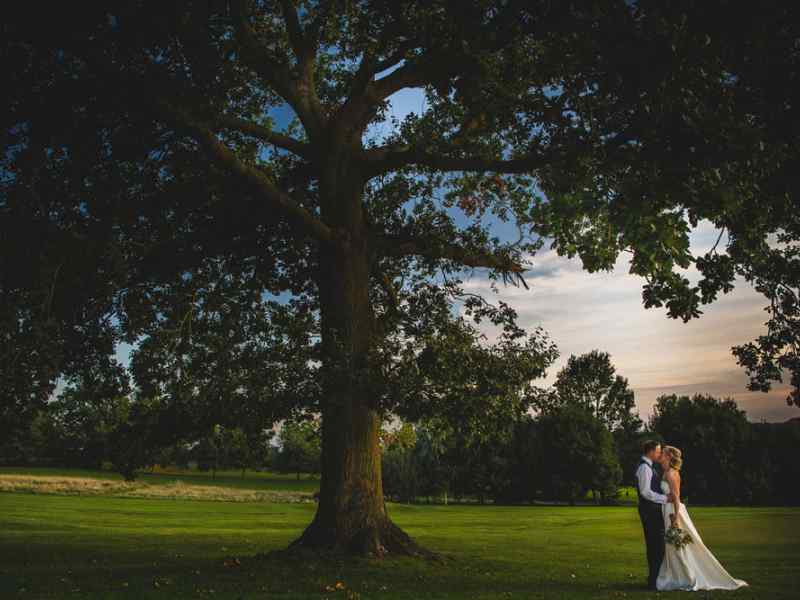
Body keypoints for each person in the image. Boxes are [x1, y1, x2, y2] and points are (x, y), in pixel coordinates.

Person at [655, 445, 749, 591]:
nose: (660, 454)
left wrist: (675, 518)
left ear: (668, 456)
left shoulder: (671, 474)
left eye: (663, 452)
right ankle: (676, 574)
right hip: (668, 509)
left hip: (673, 511)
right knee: (673, 544)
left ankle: (686, 577)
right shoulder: (666, 472)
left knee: (678, 544)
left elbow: (676, 496)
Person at [635, 440, 674, 590]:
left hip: (651, 511)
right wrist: (665, 498)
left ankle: (654, 580)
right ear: (650, 451)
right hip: (649, 512)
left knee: (656, 546)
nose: (659, 454)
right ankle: (653, 582)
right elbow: (645, 492)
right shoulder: (644, 468)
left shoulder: (648, 467)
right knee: (655, 546)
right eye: (658, 451)